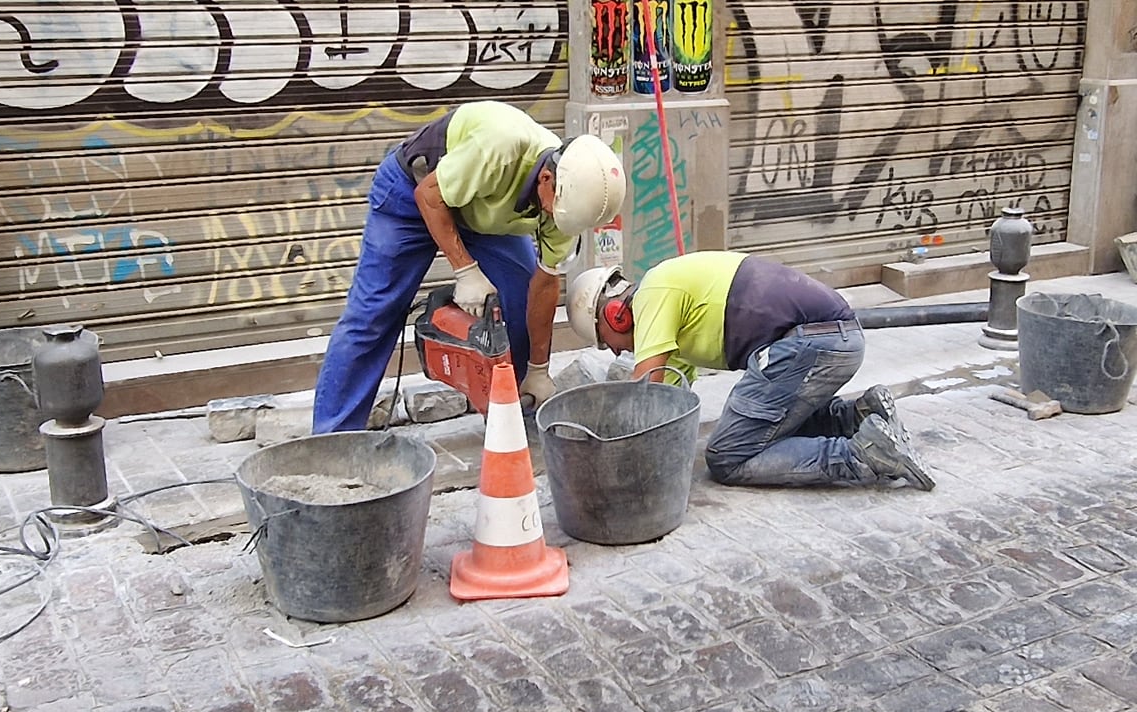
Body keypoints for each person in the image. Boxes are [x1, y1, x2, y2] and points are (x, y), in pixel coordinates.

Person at [312, 101, 626, 433]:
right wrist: (465, 270)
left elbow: (544, 286)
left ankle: (508, 415)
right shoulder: (502, 146)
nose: (551, 219)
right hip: (415, 192)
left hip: (484, 215)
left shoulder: (569, 204)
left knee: (519, 300)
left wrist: (538, 368)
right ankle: (334, 438)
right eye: (551, 211)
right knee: (375, 313)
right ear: (545, 178)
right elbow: (430, 196)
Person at [566, 251, 936, 491]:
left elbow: (643, 397)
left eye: (607, 340)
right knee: (758, 426)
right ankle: (857, 415)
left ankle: (862, 454)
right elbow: (671, 403)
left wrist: (617, 464)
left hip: (810, 343)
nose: (618, 350)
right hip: (832, 339)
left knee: (728, 456)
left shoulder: (653, 293)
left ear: (615, 314)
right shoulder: (667, 313)